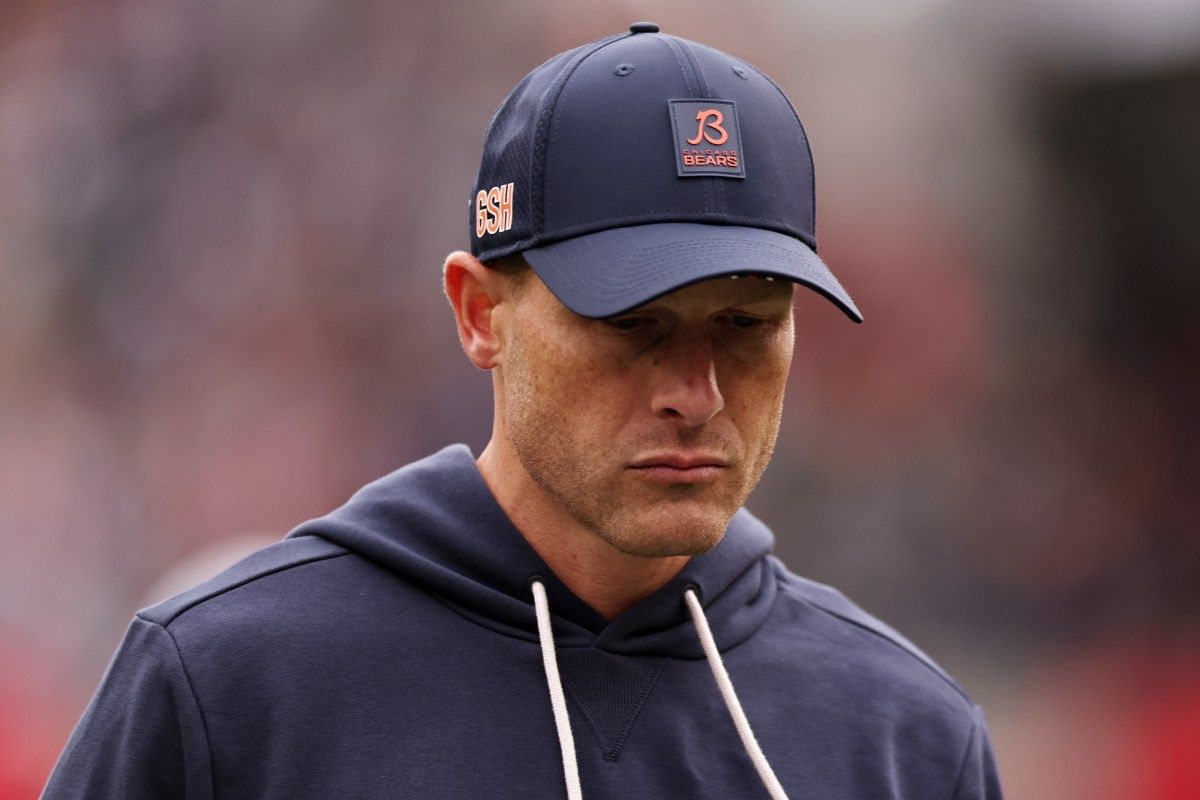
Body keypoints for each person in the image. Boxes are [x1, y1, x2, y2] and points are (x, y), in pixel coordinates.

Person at [41, 22, 1003, 800]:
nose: (696, 392)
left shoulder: (906, 737)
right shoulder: (231, 685)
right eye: (632, 323)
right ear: (478, 314)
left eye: (746, 326)